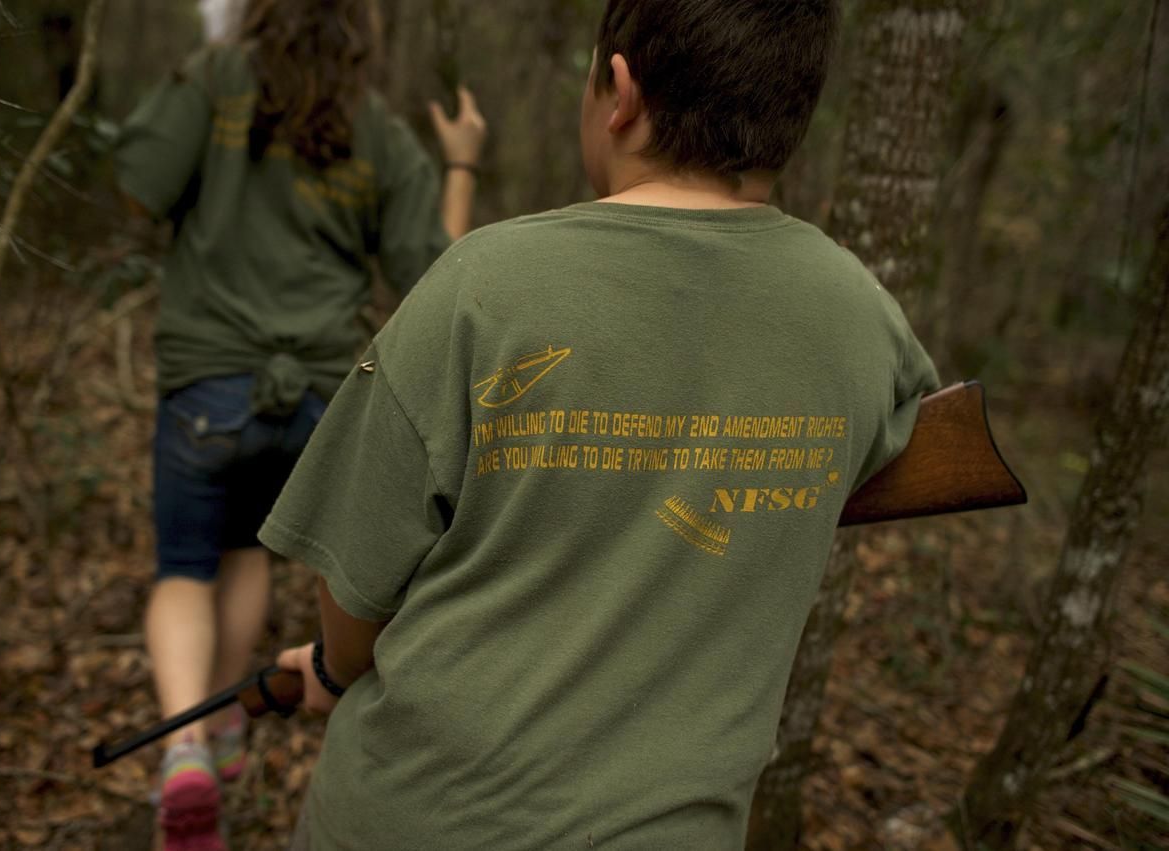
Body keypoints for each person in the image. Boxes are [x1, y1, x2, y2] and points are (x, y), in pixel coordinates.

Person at [264, 0, 939, 846]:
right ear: (791, 115)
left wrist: (329, 668)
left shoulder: (484, 280)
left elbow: (354, 593)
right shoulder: (864, 320)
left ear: (618, 91)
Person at [112, 0, 487, 847]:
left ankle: (183, 748)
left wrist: (208, 70)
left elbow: (137, 181)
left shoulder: (214, 83)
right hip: (321, 402)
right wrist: (461, 164)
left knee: (183, 566)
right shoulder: (377, 127)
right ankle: (225, 727)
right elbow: (433, 280)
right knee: (248, 551)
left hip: (206, 383)